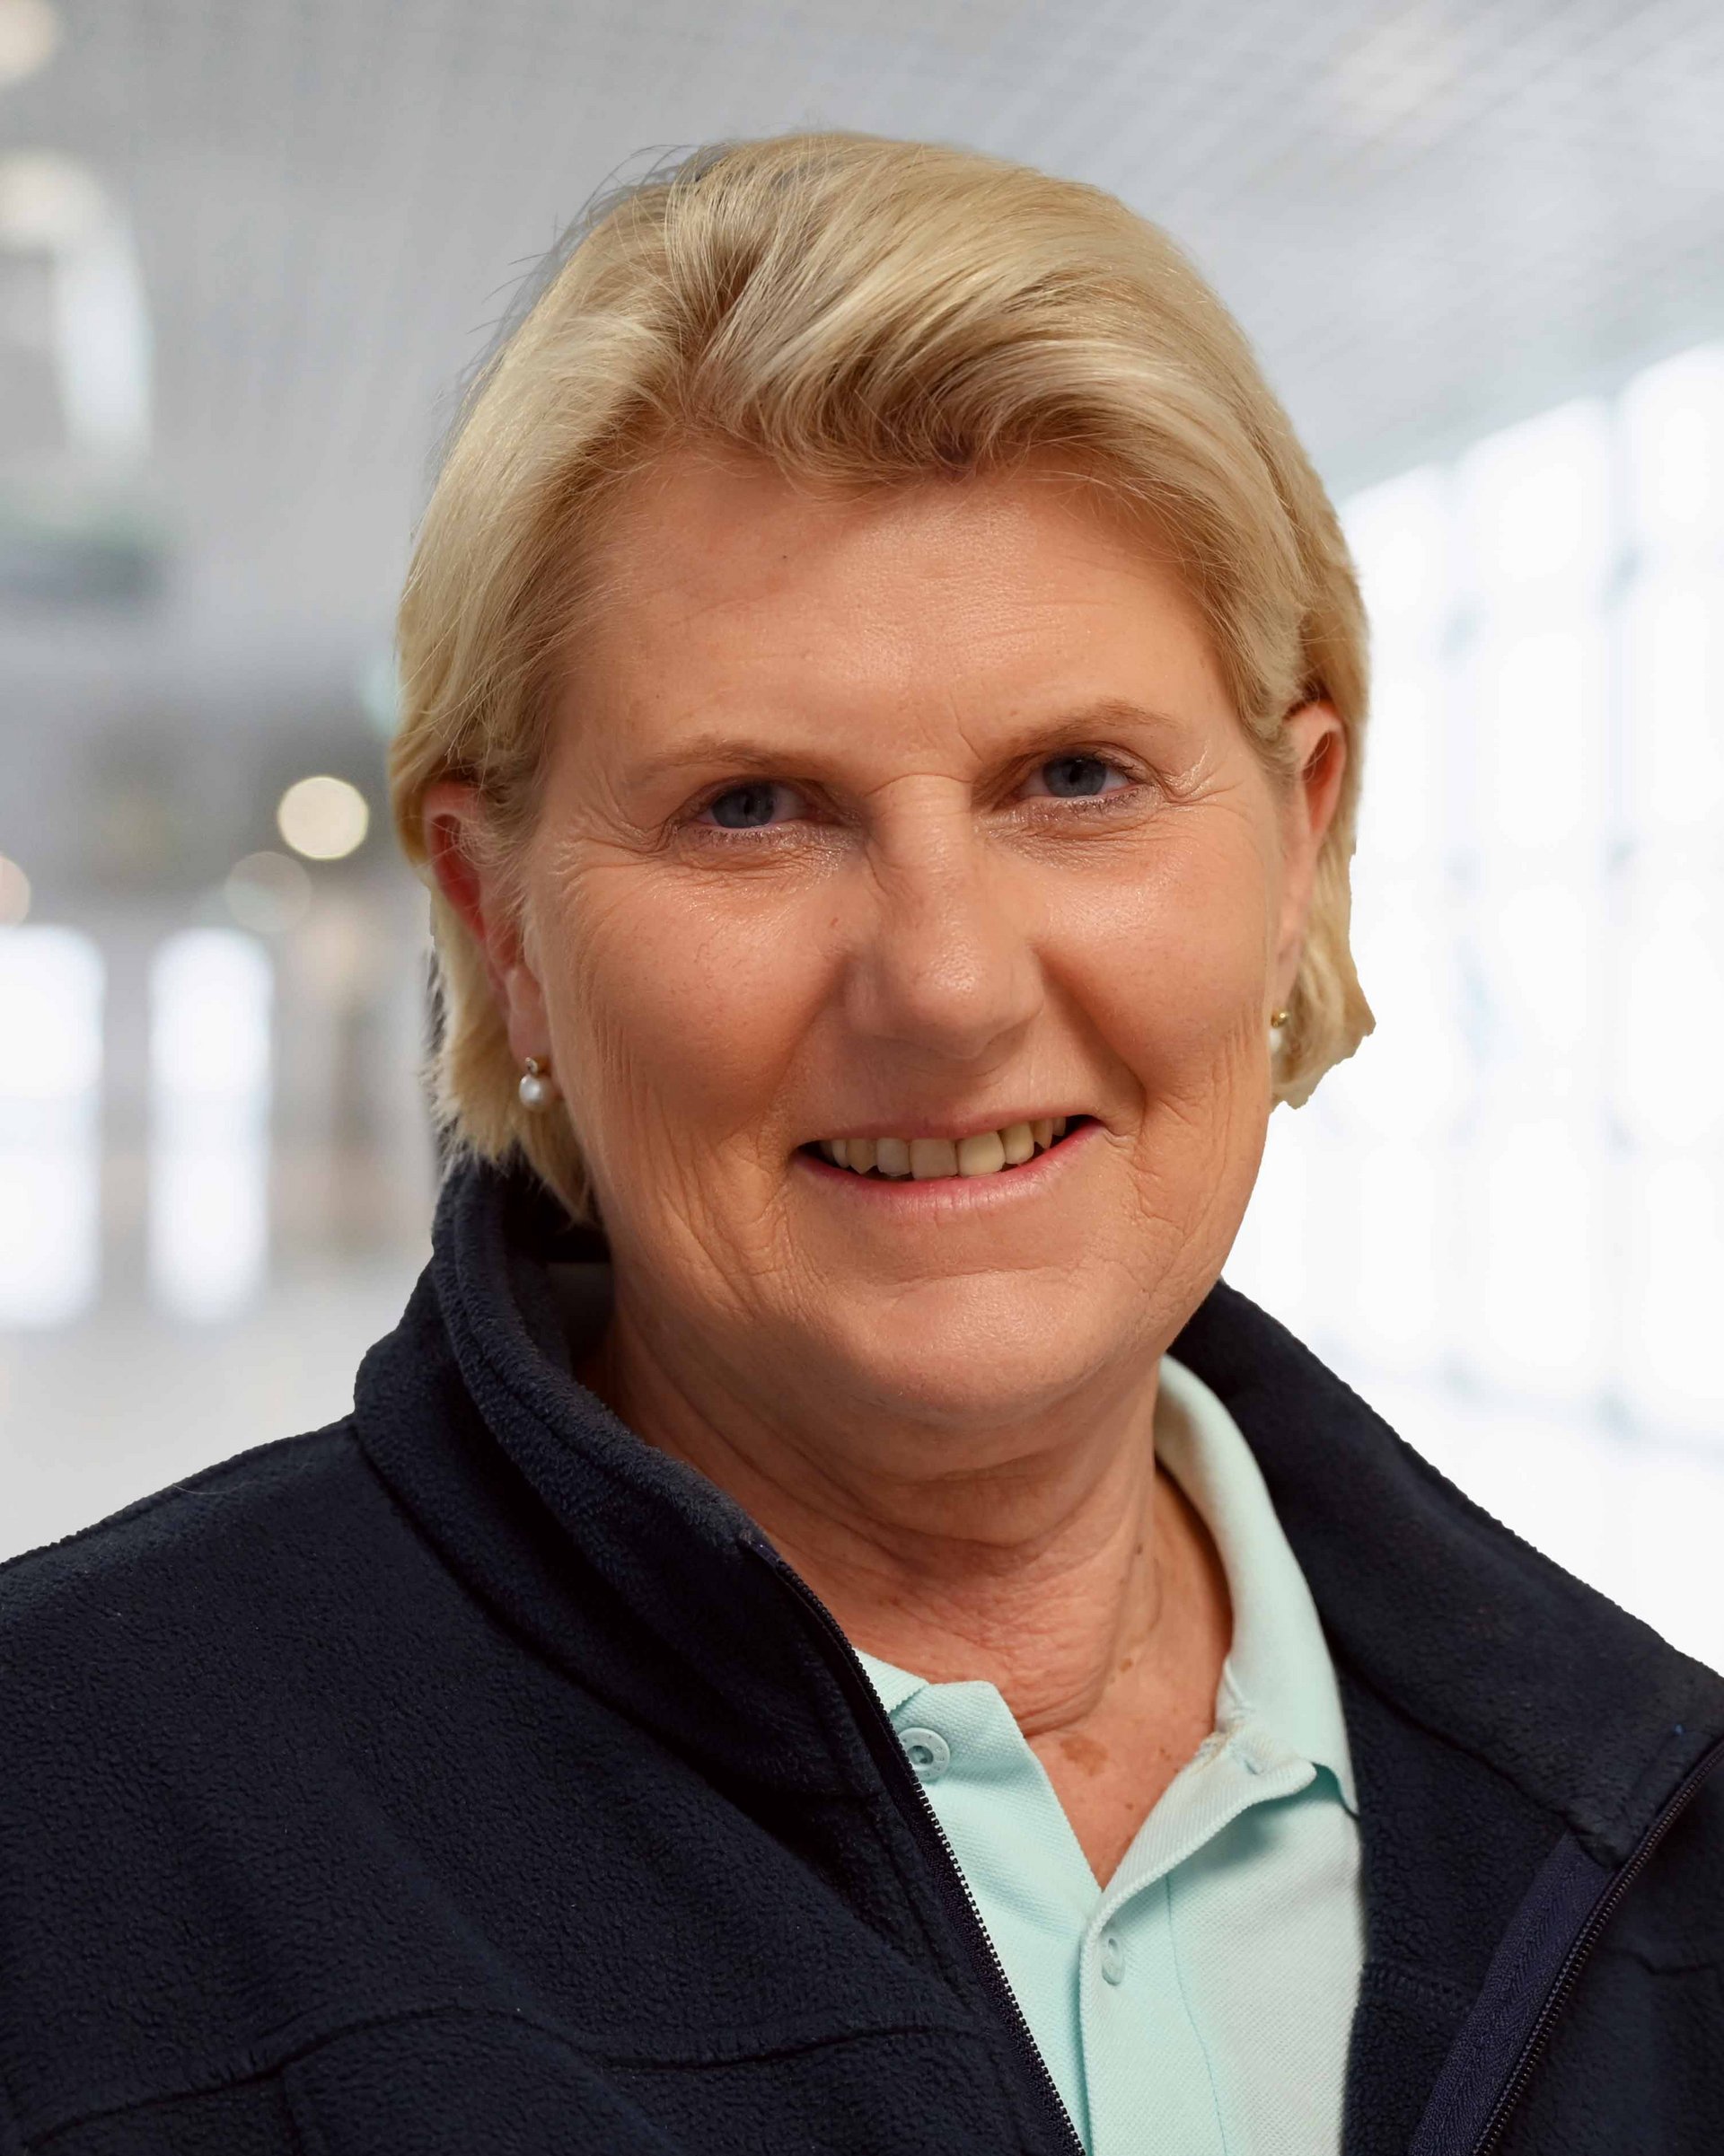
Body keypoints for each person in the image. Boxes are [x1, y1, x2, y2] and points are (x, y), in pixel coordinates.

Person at [2, 133, 1720, 2156]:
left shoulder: (1652, 1833)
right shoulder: (69, 1830)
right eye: (751, 808)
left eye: (1076, 777)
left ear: (1300, 841)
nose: (947, 984)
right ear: (500, 924)